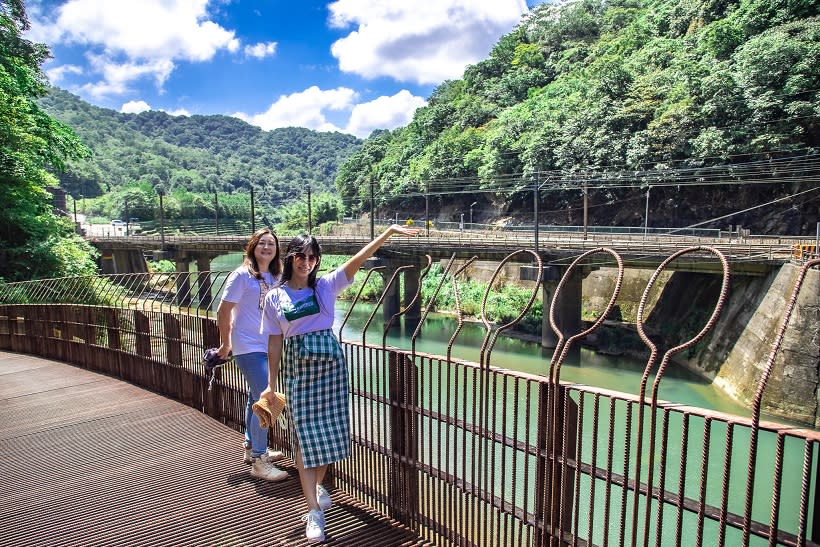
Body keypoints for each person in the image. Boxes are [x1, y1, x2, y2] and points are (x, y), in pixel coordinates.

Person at [258, 224, 418, 543]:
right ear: (290, 258)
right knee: (304, 440)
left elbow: (359, 258)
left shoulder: (326, 286)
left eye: (312, 257)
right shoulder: (275, 297)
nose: (307, 262)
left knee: (329, 437)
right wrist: (270, 384)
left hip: (331, 371)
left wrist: (388, 231)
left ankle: (316, 487)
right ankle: (314, 512)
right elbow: (274, 344)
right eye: (301, 256)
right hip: (297, 373)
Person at [216, 227, 288, 482]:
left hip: (268, 345)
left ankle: (251, 447)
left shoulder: (278, 276)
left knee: (254, 397)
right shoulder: (241, 276)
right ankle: (259, 460)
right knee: (266, 398)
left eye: (271, 244)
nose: (267, 248)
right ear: (252, 247)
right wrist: (226, 345)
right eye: (262, 243)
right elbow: (223, 312)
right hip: (247, 345)